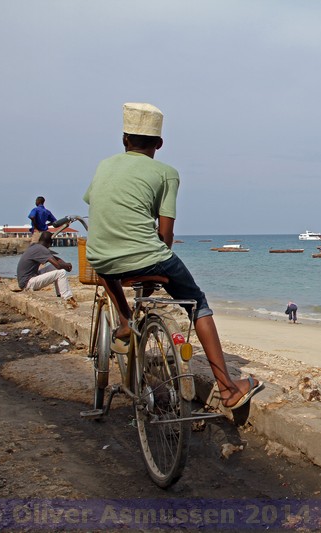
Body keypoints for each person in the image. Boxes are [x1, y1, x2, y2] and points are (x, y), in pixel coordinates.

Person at [83, 102, 262, 410]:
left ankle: (125, 320)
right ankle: (228, 388)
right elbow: (165, 235)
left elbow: (96, 203)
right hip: (148, 256)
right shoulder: (166, 173)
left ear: (124, 140)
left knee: (105, 265)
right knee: (198, 304)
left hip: (101, 256)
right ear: (159, 144)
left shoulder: (104, 166)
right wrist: (157, 268)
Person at [16, 232, 78, 309]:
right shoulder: (41, 249)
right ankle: (67, 299)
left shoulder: (35, 246)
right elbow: (58, 265)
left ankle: (60, 295)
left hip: (28, 278)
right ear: (50, 243)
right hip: (27, 283)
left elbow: (55, 259)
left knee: (57, 269)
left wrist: (65, 264)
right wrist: (66, 266)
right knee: (61, 272)